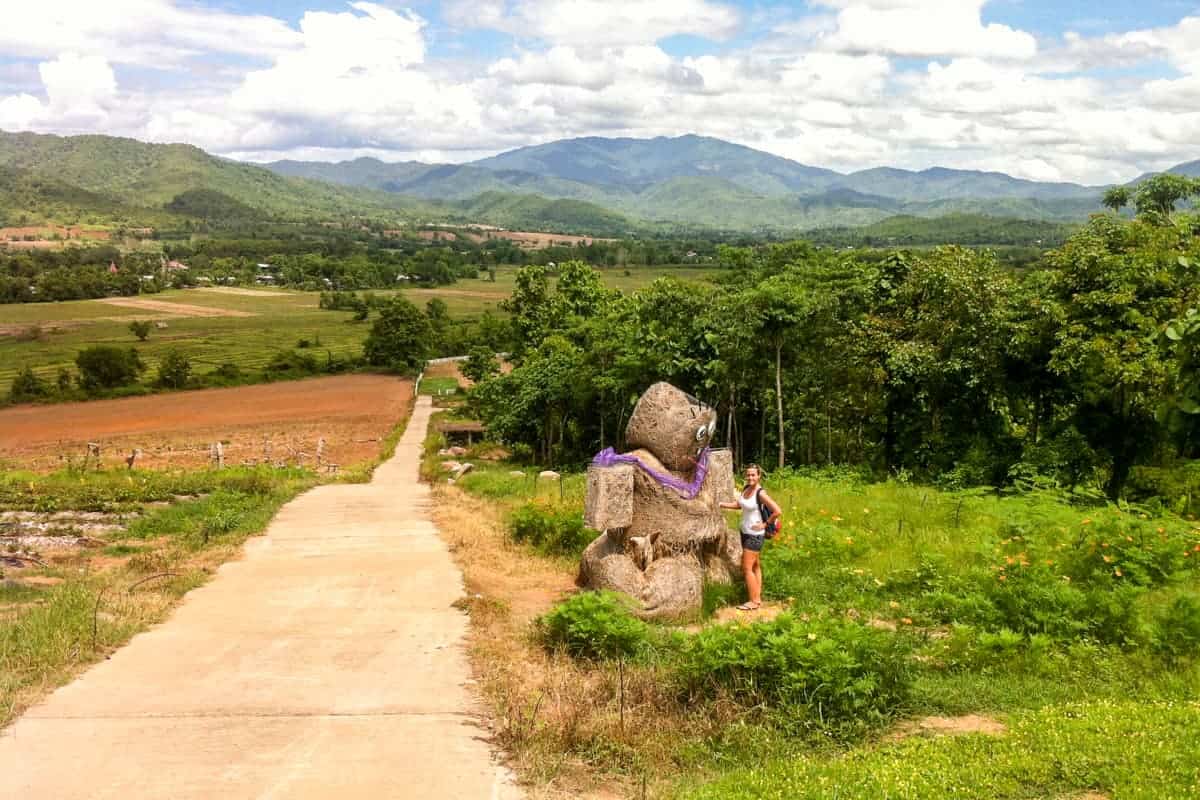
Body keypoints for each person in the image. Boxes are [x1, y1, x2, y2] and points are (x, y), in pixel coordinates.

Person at [720, 464, 781, 610]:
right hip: (745, 532)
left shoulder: (760, 493)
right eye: (748, 475)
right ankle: (757, 596)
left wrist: (765, 524)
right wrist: (722, 504)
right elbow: (740, 505)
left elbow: (777, 511)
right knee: (755, 565)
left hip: (755, 535)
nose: (750, 477)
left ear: (759, 476)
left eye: (753, 475)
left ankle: (753, 601)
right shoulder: (746, 489)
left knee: (746, 567)